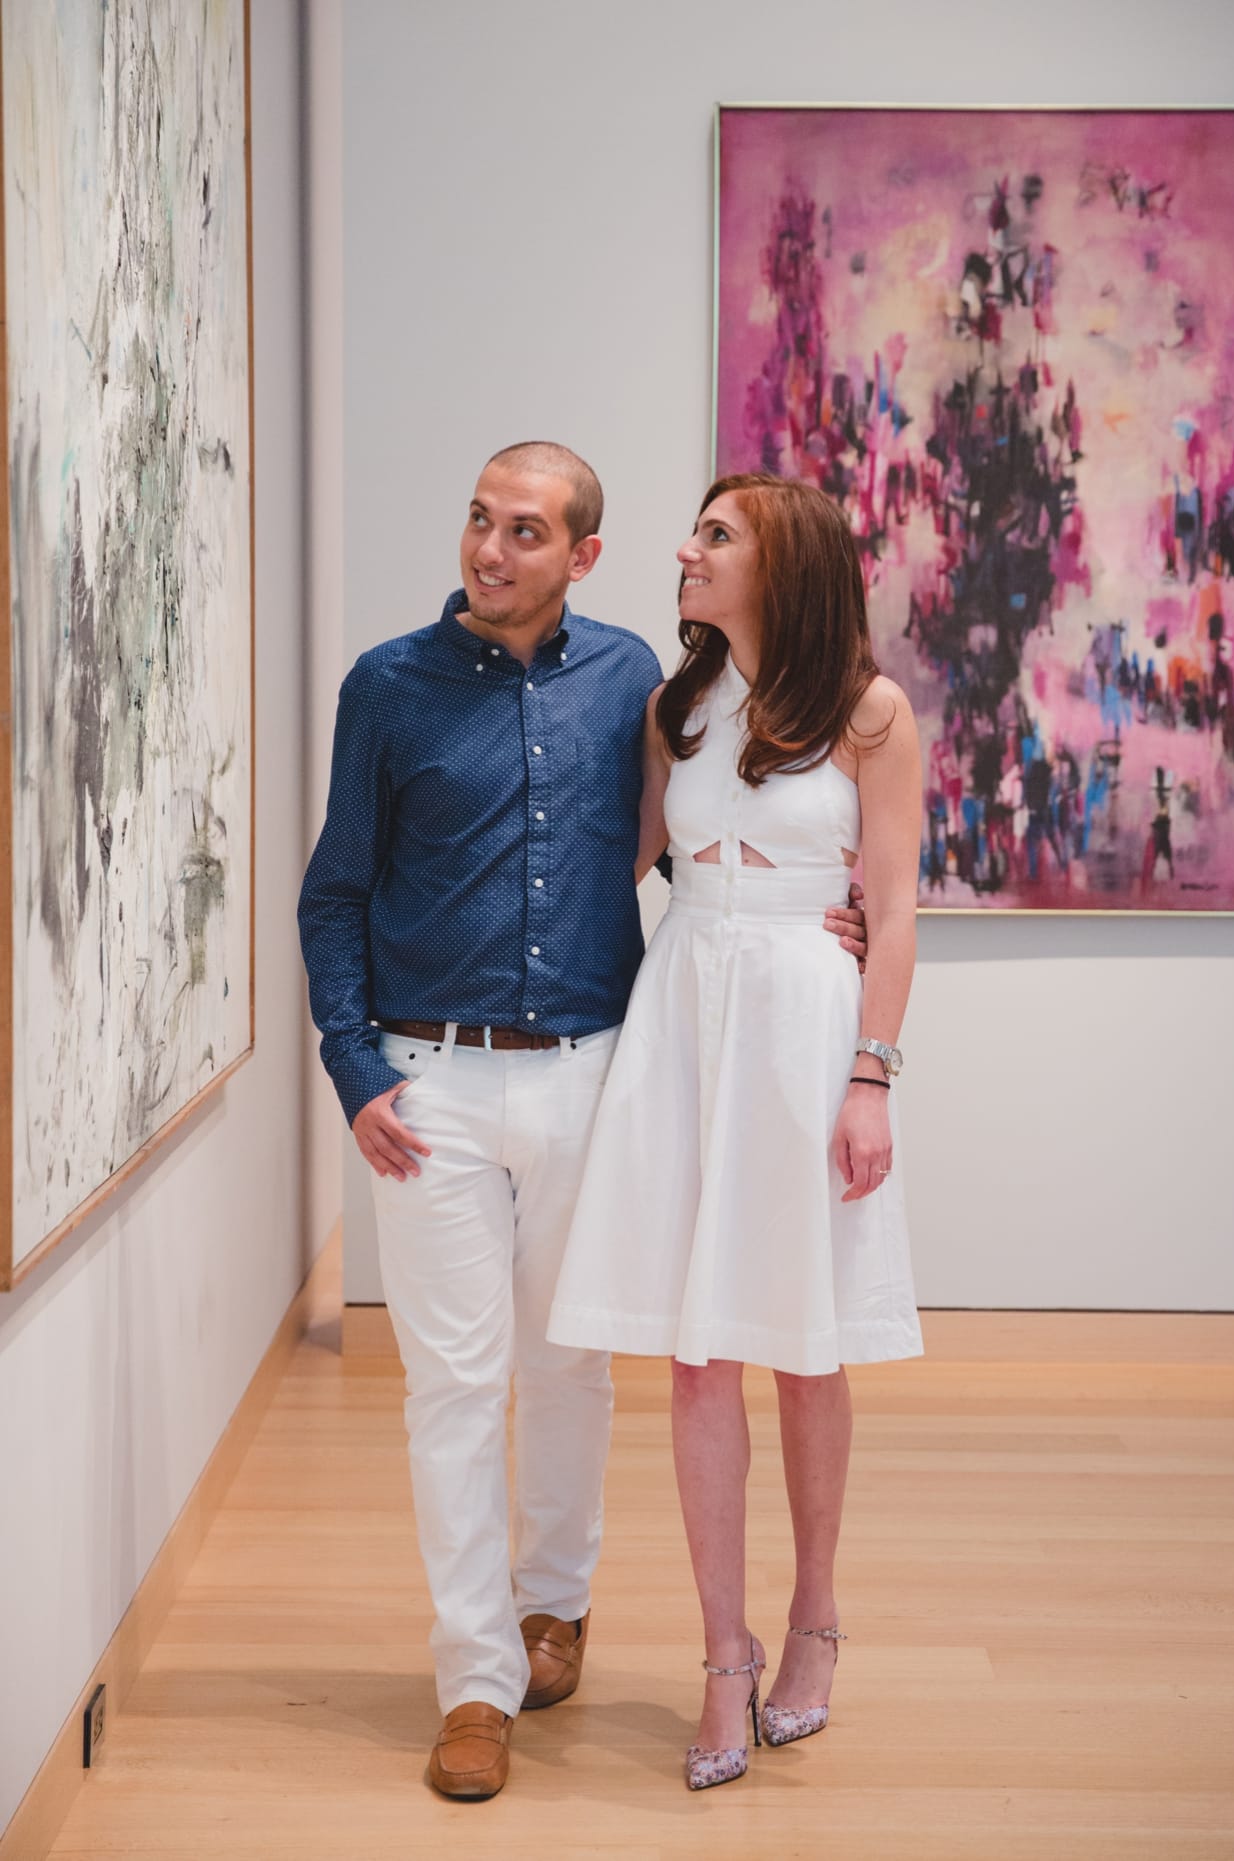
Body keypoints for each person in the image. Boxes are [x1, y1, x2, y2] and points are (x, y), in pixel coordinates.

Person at [297, 443, 869, 1800]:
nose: (491, 551)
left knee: (569, 1369)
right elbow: (334, 890)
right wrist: (354, 1065)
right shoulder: (385, 685)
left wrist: (823, 916)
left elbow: (715, 832)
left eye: (527, 530)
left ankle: (556, 1608)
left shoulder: (640, 685)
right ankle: (475, 1677)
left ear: (582, 556)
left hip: (598, 1071)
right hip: (424, 1083)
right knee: (450, 1386)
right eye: (480, 522)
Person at [548, 472, 923, 1791]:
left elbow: (895, 902)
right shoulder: (678, 706)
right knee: (697, 1355)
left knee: (804, 1347)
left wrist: (871, 1074)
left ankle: (816, 1611)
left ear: (784, 561)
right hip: (686, 1014)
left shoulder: (873, 715)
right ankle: (724, 1648)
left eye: (715, 535)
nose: (686, 551)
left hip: (809, 1031)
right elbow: (632, 852)